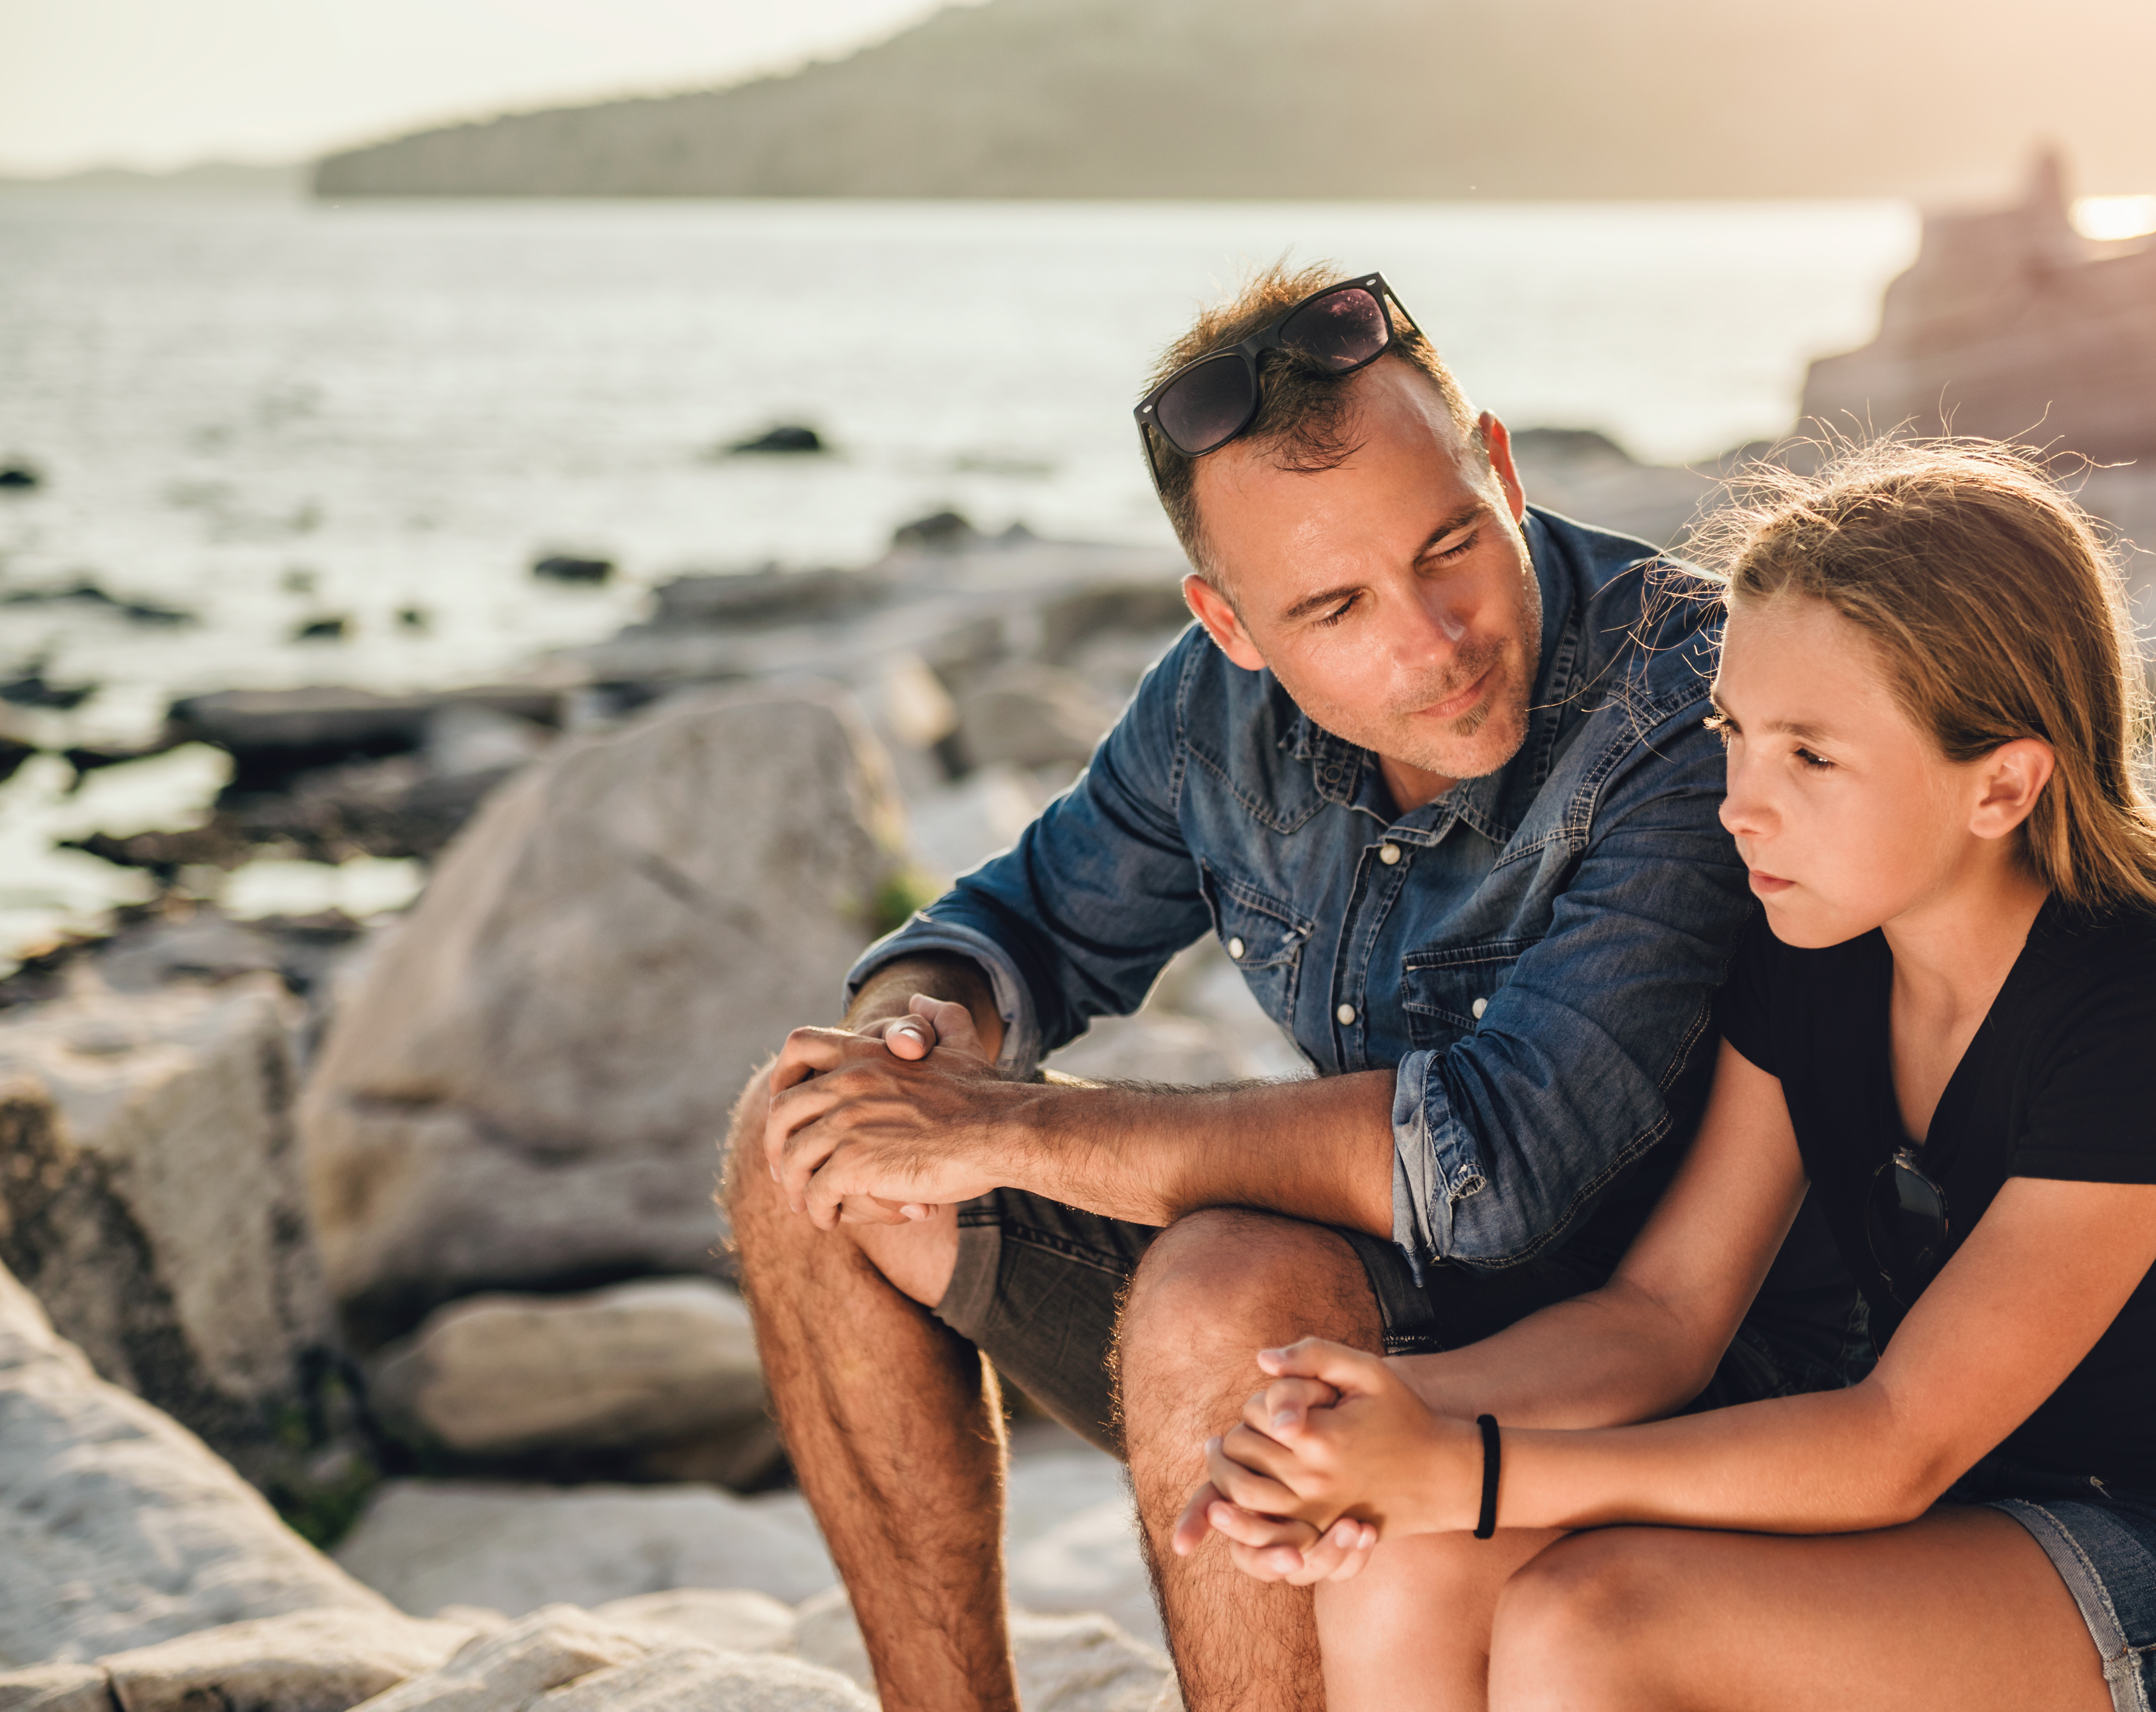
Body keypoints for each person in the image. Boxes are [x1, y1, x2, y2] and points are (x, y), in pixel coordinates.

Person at [718, 262, 1867, 1712]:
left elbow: (1496, 1162)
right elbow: (1024, 918)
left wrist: (1004, 1132)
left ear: (1498, 467)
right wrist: (928, 1030)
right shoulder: (1212, 712)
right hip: (1372, 1326)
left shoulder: (1690, 703)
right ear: (1231, 622)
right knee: (806, 1128)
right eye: (1333, 605)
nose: (1432, 639)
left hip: (1663, 1399)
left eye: (1449, 543)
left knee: (1227, 1287)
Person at [1185, 439, 2156, 1712]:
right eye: (1734, 733)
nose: (1740, 805)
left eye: (1810, 756)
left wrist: (1476, 1469)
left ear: (2000, 782)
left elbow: (1895, 1438)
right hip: (1975, 1508)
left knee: (1592, 1620)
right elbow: (1664, 1315)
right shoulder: (1817, 958)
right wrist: (1382, 1416)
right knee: (1408, 1562)